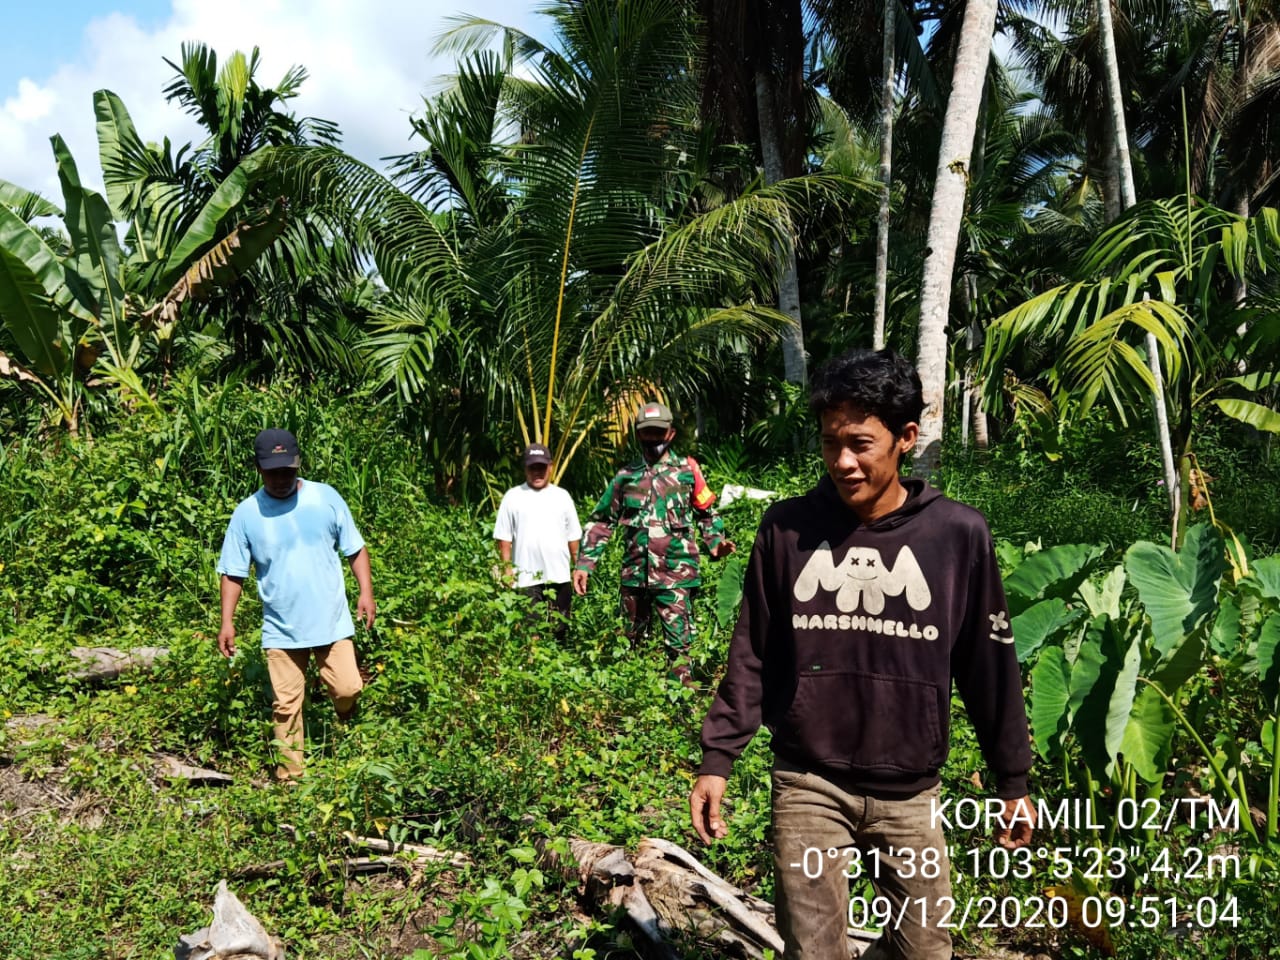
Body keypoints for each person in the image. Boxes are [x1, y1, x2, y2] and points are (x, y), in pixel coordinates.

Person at [688, 349, 1034, 960]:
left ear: (906, 437)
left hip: (910, 792)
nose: (843, 462)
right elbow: (752, 652)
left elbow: (991, 669)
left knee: (925, 949)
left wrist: (1012, 781)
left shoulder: (956, 535)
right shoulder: (787, 530)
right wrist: (718, 758)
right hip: (809, 782)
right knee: (815, 950)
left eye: (860, 443)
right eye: (829, 444)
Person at [216, 428, 375, 782]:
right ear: (259, 468)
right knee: (286, 706)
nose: (281, 478)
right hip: (281, 630)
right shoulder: (247, 514)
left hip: (331, 622)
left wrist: (366, 592)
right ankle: (290, 783)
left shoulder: (326, 498)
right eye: (273, 471)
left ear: (298, 463)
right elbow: (233, 573)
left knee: (347, 689)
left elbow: (355, 548)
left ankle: (345, 715)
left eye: (287, 469)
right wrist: (227, 621)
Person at [572, 400, 734, 684]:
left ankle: (681, 710)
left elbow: (706, 513)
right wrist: (585, 563)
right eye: (648, 432)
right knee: (632, 645)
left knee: (680, 648)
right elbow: (601, 520)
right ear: (638, 434)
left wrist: (716, 543)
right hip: (635, 578)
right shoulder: (626, 477)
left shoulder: (687, 470)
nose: (653, 438)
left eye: (659, 432)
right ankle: (634, 709)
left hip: (676, 578)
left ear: (670, 433)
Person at [493, 443, 583, 641]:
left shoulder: (562, 497)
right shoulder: (513, 497)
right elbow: (504, 539)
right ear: (525, 468)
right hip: (526, 577)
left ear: (550, 467)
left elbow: (573, 536)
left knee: (560, 630)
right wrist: (507, 569)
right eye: (532, 467)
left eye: (541, 467)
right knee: (531, 633)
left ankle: (560, 668)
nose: (537, 472)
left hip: (559, 576)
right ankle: (532, 668)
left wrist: (578, 567)